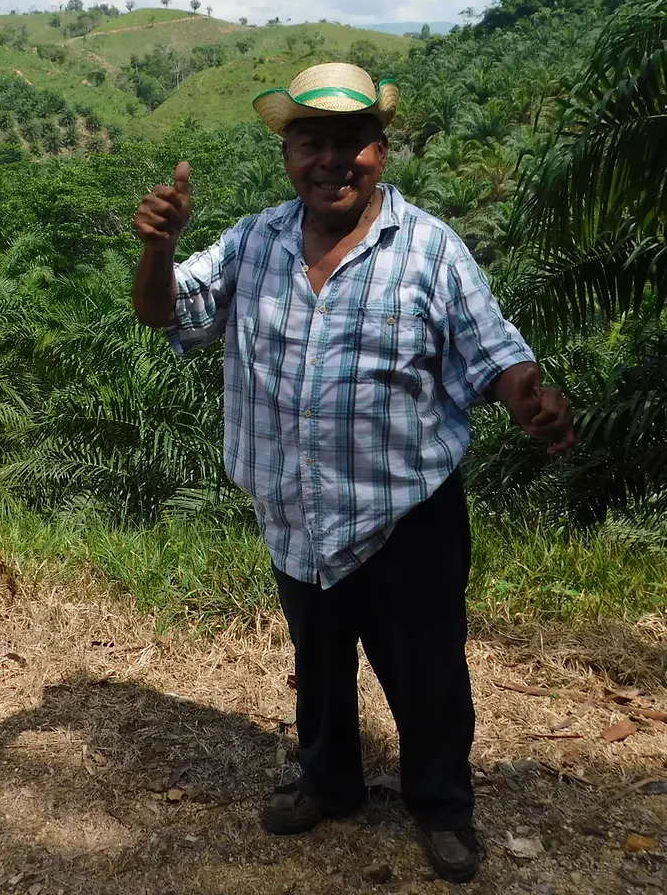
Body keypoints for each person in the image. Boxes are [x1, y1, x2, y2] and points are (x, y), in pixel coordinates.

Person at [131, 62, 575, 884]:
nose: (331, 159)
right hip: (296, 508)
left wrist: (530, 401)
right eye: (312, 142)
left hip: (407, 514)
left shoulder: (430, 250)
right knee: (320, 665)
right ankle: (328, 783)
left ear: (380, 149)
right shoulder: (253, 243)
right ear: (288, 153)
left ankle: (442, 806)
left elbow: (497, 354)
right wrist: (156, 251)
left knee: (429, 675)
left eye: (351, 142)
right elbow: (167, 313)